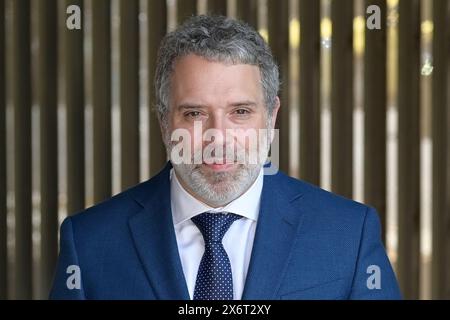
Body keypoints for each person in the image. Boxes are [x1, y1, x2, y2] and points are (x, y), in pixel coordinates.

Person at [50, 15, 401, 300]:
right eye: (193, 114)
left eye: (241, 112)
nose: (218, 137)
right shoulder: (90, 243)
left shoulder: (348, 235)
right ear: (163, 121)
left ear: (271, 116)